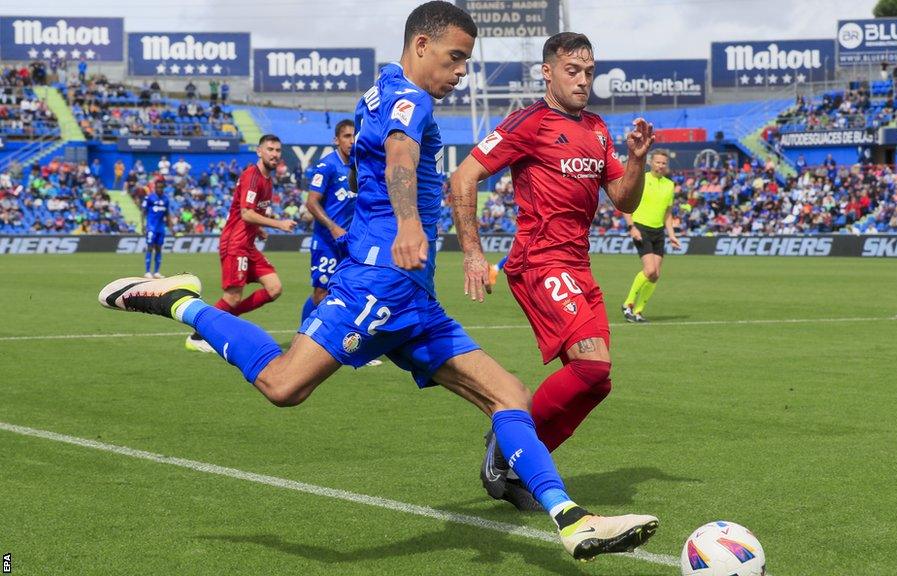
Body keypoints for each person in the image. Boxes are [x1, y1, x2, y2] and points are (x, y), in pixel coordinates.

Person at [98, 3, 657, 561]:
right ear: (421, 47)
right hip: (379, 284)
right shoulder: (411, 99)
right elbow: (399, 155)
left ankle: (572, 520)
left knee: (508, 396)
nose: (461, 71)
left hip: (412, 295)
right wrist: (411, 222)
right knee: (283, 385)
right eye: (455, 57)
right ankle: (179, 301)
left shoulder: (384, 87)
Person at [449, 32, 654, 509]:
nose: (583, 81)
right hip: (540, 262)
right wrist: (474, 253)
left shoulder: (598, 129)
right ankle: (506, 444)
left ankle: (519, 455)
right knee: (591, 363)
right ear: (547, 72)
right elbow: (463, 176)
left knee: (597, 382)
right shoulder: (529, 122)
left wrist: (637, 160)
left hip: (578, 265)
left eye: (589, 72)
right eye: (572, 71)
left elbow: (624, 199)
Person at [184, 134, 296, 353]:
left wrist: (260, 228)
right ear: (259, 151)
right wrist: (278, 224)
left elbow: (247, 211)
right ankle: (197, 336)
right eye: (270, 149)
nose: (274, 154)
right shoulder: (252, 176)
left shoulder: (267, 179)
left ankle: (223, 321)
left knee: (274, 288)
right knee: (233, 297)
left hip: (248, 244)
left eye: (277, 150)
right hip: (235, 243)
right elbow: (246, 213)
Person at [301, 119, 356, 322]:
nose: (351, 141)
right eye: (346, 136)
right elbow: (311, 203)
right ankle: (303, 338)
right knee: (321, 294)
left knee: (350, 292)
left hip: (350, 242)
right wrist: (333, 227)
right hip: (327, 241)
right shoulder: (327, 166)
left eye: (354, 136)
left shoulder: (359, 167)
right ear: (336, 140)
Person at [621, 149, 681, 322]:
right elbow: (625, 204)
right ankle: (628, 303)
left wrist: (672, 235)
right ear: (650, 162)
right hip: (641, 228)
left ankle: (638, 312)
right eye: (657, 162)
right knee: (650, 270)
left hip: (658, 231)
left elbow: (668, 214)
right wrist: (631, 227)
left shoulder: (670, 185)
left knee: (655, 274)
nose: (660, 165)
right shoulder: (642, 179)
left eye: (663, 163)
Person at [141, 178, 171, 278]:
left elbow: (167, 214)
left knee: (158, 249)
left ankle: (157, 272)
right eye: (158, 187)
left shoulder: (166, 199)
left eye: (161, 187)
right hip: (151, 227)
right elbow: (143, 212)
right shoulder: (150, 198)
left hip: (160, 228)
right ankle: (147, 271)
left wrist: (171, 227)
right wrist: (143, 225)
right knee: (150, 247)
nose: (159, 189)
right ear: (155, 188)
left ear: (163, 188)